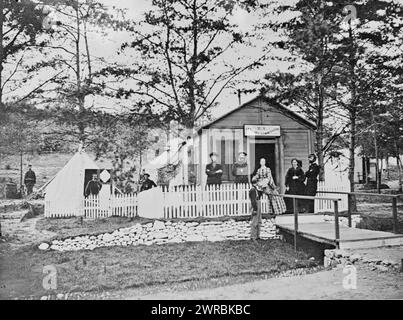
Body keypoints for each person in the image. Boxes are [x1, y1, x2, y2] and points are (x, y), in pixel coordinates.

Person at [249, 176, 262, 240]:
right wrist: (255, 209)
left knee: (258, 220)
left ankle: (257, 235)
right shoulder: (252, 190)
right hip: (255, 205)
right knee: (255, 221)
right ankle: (253, 236)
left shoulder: (256, 189)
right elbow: (253, 200)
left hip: (258, 203)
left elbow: (259, 195)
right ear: (256, 182)